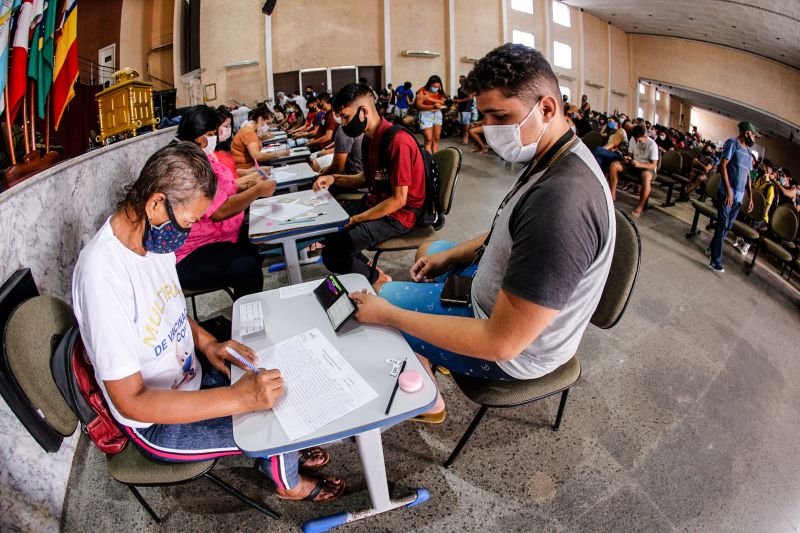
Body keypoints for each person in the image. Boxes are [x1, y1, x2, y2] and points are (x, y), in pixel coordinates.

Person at [348, 43, 615, 422]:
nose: (487, 128)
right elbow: (508, 225)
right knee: (433, 248)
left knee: (385, 297)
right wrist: (456, 255)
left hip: (515, 352)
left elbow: (501, 342)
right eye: (485, 115)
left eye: (500, 116)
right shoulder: (554, 154)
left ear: (547, 107)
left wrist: (390, 315)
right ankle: (434, 338)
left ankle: (427, 396)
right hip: (498, 293)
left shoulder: (562, 205)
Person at [71, 142, 345, 502]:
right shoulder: (102, 276)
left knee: (275, 381)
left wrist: (207, 343)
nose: (189, 231)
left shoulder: (153, 240)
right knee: (279, 421)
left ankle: (277, 452)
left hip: (192, 377)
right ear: (156, 203)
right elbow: (132, 402)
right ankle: (288, 482)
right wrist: (235, 398)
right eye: (188, 222)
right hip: (158, 423)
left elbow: (171, 307)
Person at [312, 83, 426, 285]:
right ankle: (366, 267)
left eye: (346, 117)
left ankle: (378, 279)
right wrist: (334, 178)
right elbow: (366, 178)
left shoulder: (398, 141)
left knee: (333, 255)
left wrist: (357, 219)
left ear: (363, 112)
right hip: (377, 202)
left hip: (399, 215)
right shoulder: (368, 139)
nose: (344, 124)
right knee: (330, 228)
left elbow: (399, 200)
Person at [169, 105, 276, 300]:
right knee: (247, 268)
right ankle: (246, 325)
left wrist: (252, 181)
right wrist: (257, 190)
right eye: (210, 134)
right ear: (197, 134)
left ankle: (246, 305)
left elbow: (226, 187)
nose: (214, 138)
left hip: (218, 239)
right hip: (191, 251)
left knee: (257, 244)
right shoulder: (187, 166)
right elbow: (218, 211)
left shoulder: (204, 157)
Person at [708, 121, 757, 273]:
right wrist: (729, 190)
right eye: (754, 135)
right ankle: (715, 261)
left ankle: (711, 248)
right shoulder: (733, 143)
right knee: (723, 224)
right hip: (727, 193)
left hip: (739, 197)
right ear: (747, 133)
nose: (754, 139)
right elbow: (723, 165)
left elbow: (748, 176)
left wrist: (750, 196)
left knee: (727, 226)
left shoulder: (749, 153)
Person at [608, 125, 659, 217]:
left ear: (644, 135)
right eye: (636, 139)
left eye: (640, 139)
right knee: (614, 165)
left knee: (646, 177)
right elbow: (631, 155)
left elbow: (654, 165)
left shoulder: (652, 145)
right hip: (634, 164)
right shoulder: (633, 139)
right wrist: (628, 159)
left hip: (647, 167)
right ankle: (612, 196)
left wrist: (639, 164)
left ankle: (640, 207)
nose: (638, 141)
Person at [230, 104, 289, 173]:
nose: (267, 126)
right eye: (267, 123)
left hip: (250, 166)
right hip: (246, 169)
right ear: (260, 119)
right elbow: (256, 156)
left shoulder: (250, 129)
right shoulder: (249, 132)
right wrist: (279, 154)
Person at [415, 75, 447, 153]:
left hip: (437, 115)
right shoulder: (422, 91)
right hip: (426, 115)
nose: (435, 88)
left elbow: (443, 102)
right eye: (434, 86)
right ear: (429, 84)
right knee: (428, 139)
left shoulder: (440, 92)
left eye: (437, 86)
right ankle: (428, 160)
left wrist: (428, 98)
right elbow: (418, 105)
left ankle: (435, 159)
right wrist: (432, 106)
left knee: (436, 138)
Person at [455, 75, 474, 145]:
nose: (461, 80)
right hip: (461, 108)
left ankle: (466, 138)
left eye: (463, 79)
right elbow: (459, 99)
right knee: (462, 124)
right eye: (460, 79)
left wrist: (460, 101)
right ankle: (464, 137)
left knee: (466, 124)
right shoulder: (459, 89)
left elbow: (470, 97)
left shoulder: (468, 88)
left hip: (467, 108)